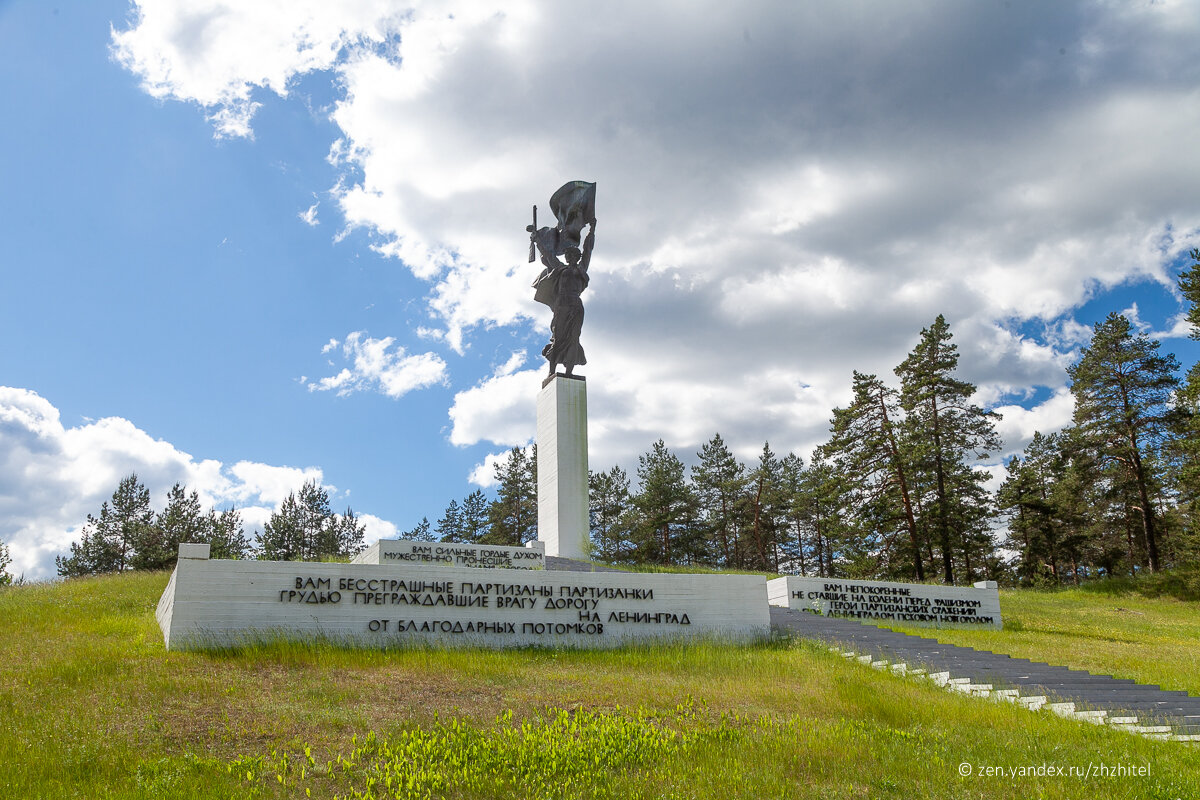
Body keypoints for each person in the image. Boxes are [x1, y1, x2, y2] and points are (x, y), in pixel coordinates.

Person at [533, 223, 594, 376]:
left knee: (574, 337)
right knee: (559, 337)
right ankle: (551, 372)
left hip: (576, 305)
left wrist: (592, 230)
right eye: (567, 255)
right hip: (562, 304)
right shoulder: (560, 268)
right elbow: (548, 255)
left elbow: (588, 249)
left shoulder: (581, 269)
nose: (568, 257)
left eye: (571, 255)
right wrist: (537, 240)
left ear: (576, 257)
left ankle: (569, 372)